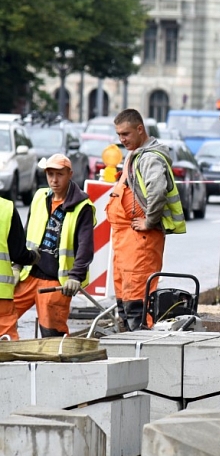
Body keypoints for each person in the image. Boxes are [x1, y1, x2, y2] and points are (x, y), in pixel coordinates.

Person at [107, 109, 186, 331]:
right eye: (119, 135)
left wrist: (149, 221)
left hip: (140, 241)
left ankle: (141, 351)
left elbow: (157, 190)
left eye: (126, 134)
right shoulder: (136, 154)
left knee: (138, 305)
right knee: (125, 302)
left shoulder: (149, 157)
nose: (122, 140)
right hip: (127, 241)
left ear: (140, 129)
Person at [12, 154, 95, 338]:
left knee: (52, 334)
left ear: (70, 174)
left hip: (55, 281)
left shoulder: (82, 207)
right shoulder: (40, 197)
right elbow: (26, 234)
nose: (54, 180)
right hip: (29, 274)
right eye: (50, 174)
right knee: (4, 317)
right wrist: (17, 265)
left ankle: (55, 366)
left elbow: (85, 246)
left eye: (59, 174)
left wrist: (75, 276)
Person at [0, 198, 40, 339]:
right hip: (1, 295)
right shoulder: (6, 208)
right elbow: (18, 254)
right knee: (6, 347)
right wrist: (34, 256)